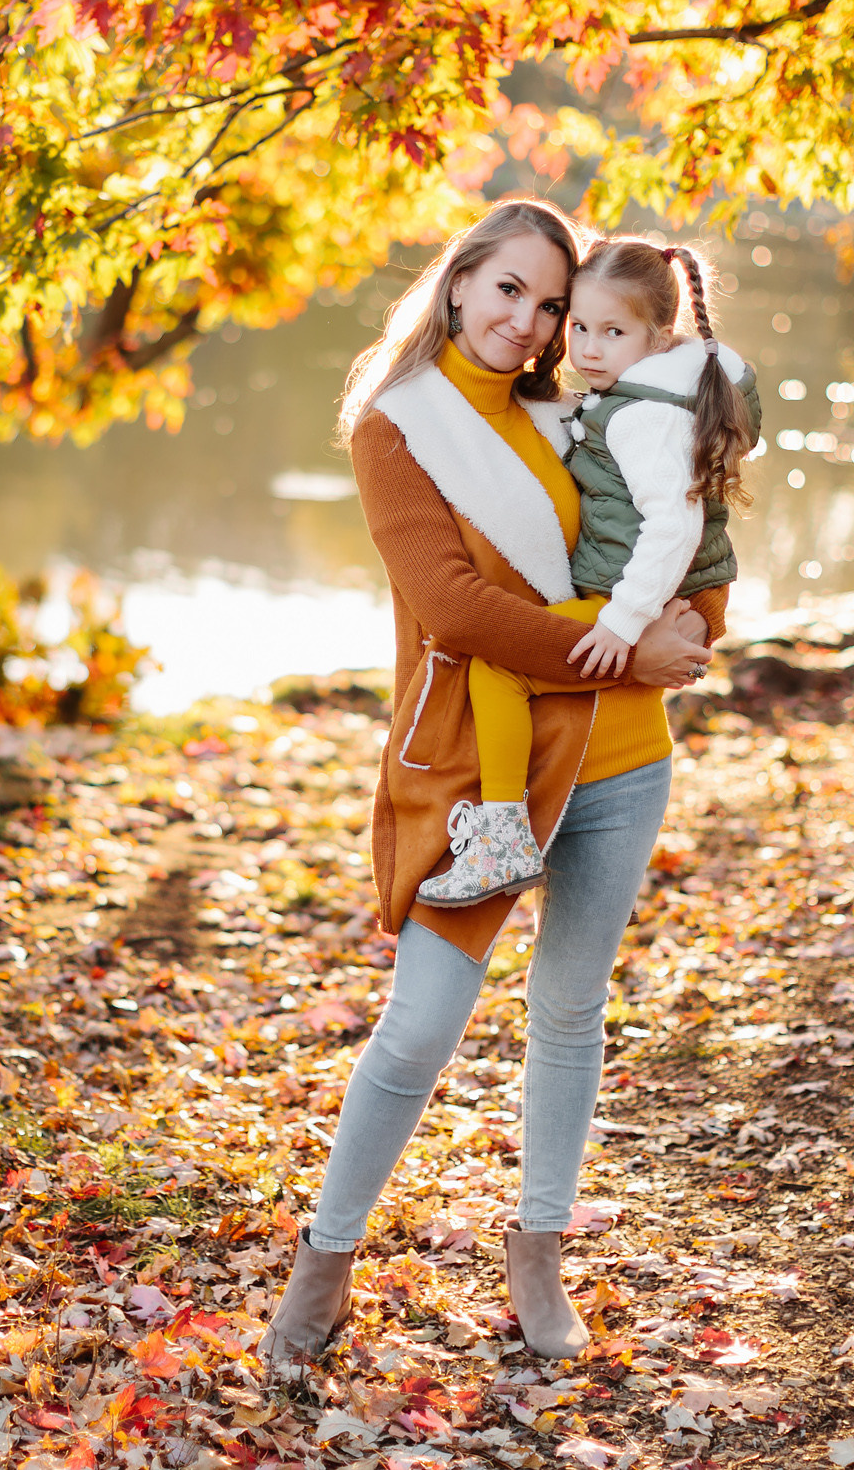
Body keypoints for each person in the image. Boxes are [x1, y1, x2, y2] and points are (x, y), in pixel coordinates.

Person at [256, 200, 726, 1372]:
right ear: (460, 281)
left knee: (569, 1016)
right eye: (511, 290)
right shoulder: (396, 427)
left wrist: (686, 632)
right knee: (417, 1028)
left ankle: (536, 1253)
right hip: (480, 772)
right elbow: (455, 613)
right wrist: (625, 641)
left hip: (620, 757)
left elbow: (690, 549)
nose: (532, 322)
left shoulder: (588, 414)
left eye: (557, 305)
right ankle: (326, 1255)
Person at [418, 237, 761, 904]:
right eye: (578, 326)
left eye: (613, 331)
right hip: (656, 593)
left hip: (642, 597)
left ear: (660, 339)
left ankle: (502, 835)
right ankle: (508, 828)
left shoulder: (640, 418)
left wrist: (623, 622)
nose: (590, 348)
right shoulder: (650, 398)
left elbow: (676, 523)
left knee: (497, 669)